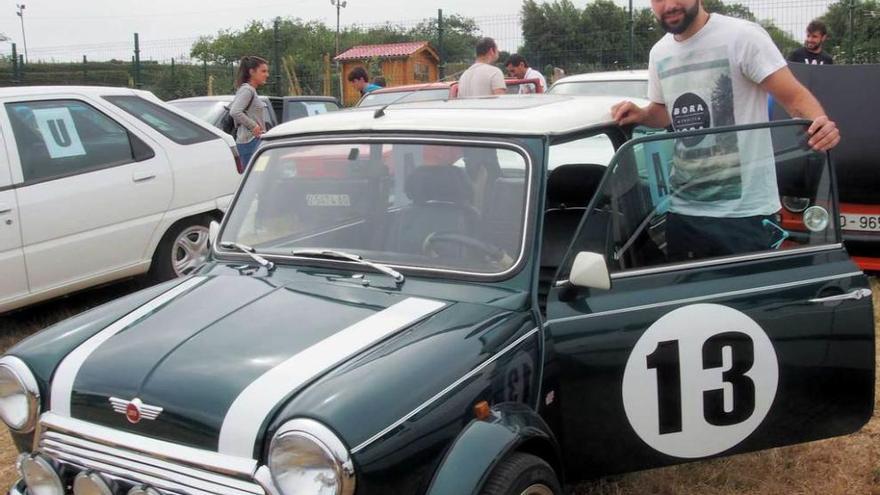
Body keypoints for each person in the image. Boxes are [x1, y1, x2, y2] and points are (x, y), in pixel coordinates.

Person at [611, 0, 839, 262]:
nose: (669, 5)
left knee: (747, 301)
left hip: (744, 215)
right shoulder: (659, 53)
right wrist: (642, 114)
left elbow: (794, 96)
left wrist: (820, 122)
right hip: (683, 212)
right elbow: (664, 112)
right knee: (690, 303)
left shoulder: (742, 36)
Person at [230, 56, 269, 169]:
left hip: (253, 142)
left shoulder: (249, 90)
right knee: (256, 177)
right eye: (263, 71)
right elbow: (235, 111)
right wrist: (254, 126)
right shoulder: (247, 90)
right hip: (250, 143)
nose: (267, 74)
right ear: (252, 72)